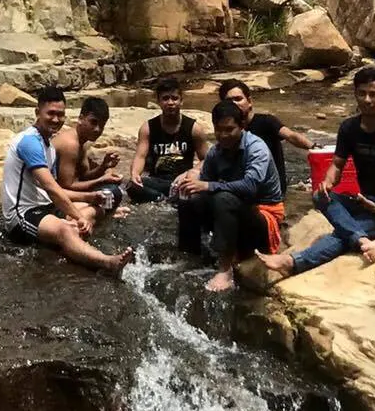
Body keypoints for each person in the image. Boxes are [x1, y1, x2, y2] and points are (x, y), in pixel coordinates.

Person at [254, 65, 375, 284]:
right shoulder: (349, 128)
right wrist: (328, 181)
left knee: (341, 236)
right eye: (362, 93)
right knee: (320, 196)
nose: (367, 100)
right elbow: (337, 165)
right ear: (355, 95)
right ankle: (362, 239)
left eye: (374, 94)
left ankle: (293, 262)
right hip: (363, 201)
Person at [1, 86, 135, 274]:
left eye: (60, 115)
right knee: (67, 228)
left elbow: (56, 190)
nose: (56, 119)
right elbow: (52, 188)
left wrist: (87, 202)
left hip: (45, 207)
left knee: (94, 208)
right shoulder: (29, 142)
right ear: (37, 112)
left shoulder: (47, 144)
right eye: (51, 114)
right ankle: (108, 262)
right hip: (22, 214)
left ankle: (71, 239)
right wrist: (78, 217)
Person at [170, 100, 285, 291]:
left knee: (223, 198)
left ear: (242, 126)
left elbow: (249, 187)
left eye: (229, 129)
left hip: (263, 215)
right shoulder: (216, 152)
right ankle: (190, 255)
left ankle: (225, 269)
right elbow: (203, 187)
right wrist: (191, 186)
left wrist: (208, 185)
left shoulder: (256, 148)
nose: (223, 135)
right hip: (233, 211)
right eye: (218, 130)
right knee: (190, 197)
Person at [217, 78, 312, 200]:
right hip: (243, 188)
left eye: (238, 99)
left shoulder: (266, 122)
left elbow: (291, 136)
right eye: (229, 101)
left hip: (270, 193)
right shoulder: (224, 130)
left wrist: (315, 147)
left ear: (249, 101)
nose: (235, 104)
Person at [128, 76, 208, 201]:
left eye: (174, 98)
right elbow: (140, 156)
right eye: (165, 98)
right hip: (157, 180)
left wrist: (191, 172)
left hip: (182, 180)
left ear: (181, 101)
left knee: (195, 193)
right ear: (159, 101)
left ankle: (163, 199)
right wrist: (135, 174)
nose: (170, 103)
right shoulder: (148, 128)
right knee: (132, 187)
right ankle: (162, 199)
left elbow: (206, 160)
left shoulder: (194, 128)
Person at [53, 96, 128, 216]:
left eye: (102, 125)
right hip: (58, 199)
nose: (97, 129)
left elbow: (84, 176)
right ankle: (100, 214)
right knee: (112, 192)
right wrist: (101, 179)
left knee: (113, 189)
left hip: (71, 192)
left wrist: (103, 167)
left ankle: (102, 212)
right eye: (93, 122)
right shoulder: (70, 145)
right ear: (81, 118)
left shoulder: (81, 142)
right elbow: (67, 186)